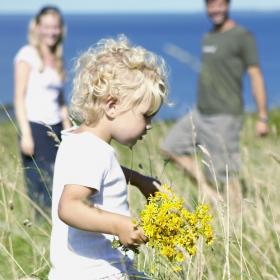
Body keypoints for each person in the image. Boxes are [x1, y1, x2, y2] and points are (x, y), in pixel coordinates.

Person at [48, 35, 168, 279]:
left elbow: (100, 172)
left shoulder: (80, 141)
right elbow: (69, 207)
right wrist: (119, 225)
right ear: (111, 106)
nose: (149, 125)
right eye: (145, 115)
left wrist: (139, 180)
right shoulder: (92, 151)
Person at [161, 0, 269, 197]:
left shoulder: (242, 36)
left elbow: (255, 74)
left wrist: (263, 116)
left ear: (228, 5)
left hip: (225, 115)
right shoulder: (208, 36)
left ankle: (236, 221)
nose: (215, 10)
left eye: (220, 4)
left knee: (226, 173)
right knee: (170, 147)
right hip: (200, 112)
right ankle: (211, 195)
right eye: (210, 5)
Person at [14, 6, 71, 209]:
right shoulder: (27, 55)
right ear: (37, 27)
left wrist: (68, 130)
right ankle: (41, 226)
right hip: (35, 127)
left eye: (55, 27)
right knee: (40, 183)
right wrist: (26, 134)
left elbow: (61, 100)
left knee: (59, 181)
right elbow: (19, 98)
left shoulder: (57, 59)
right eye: (47, 27)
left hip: (56, 128)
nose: (51, 32)